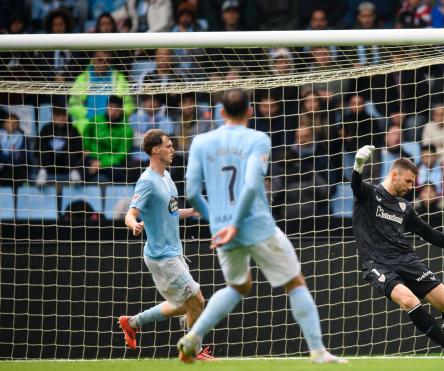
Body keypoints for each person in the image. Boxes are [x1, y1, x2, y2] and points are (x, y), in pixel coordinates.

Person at [177, 89, 346, 364]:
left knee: (237, 286)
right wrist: (235, 223)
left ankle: (194, 336)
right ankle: (317, 351)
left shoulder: (200, 142)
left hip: (221, 229)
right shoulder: (258, 139)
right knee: (294, 282)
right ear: (250, 112)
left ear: (221, 113)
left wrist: (220, 222)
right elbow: (253, 184)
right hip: (256, 223)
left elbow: (193, 192)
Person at [350, 145, 444, 359]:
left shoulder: (405, 207)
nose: (412, 187)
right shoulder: (369, 195)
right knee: (409, 300)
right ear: (394, 175)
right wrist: (358, 165)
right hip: (377, 264)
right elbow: (356, 186)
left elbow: (428, 233)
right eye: (409, 181)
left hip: (407, 260)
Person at [119, 128, 212, 360]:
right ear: (155, 150)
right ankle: (193, 351)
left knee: (184, 305)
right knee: (198, 301)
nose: (173, 149)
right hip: (162, 256)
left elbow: (169, 212)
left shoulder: (166, 177)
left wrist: (192, 211)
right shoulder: (147, 181)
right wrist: (134, 224)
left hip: (174, 252)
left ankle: (132, 322)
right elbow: (130, 214)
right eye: (168, 145)